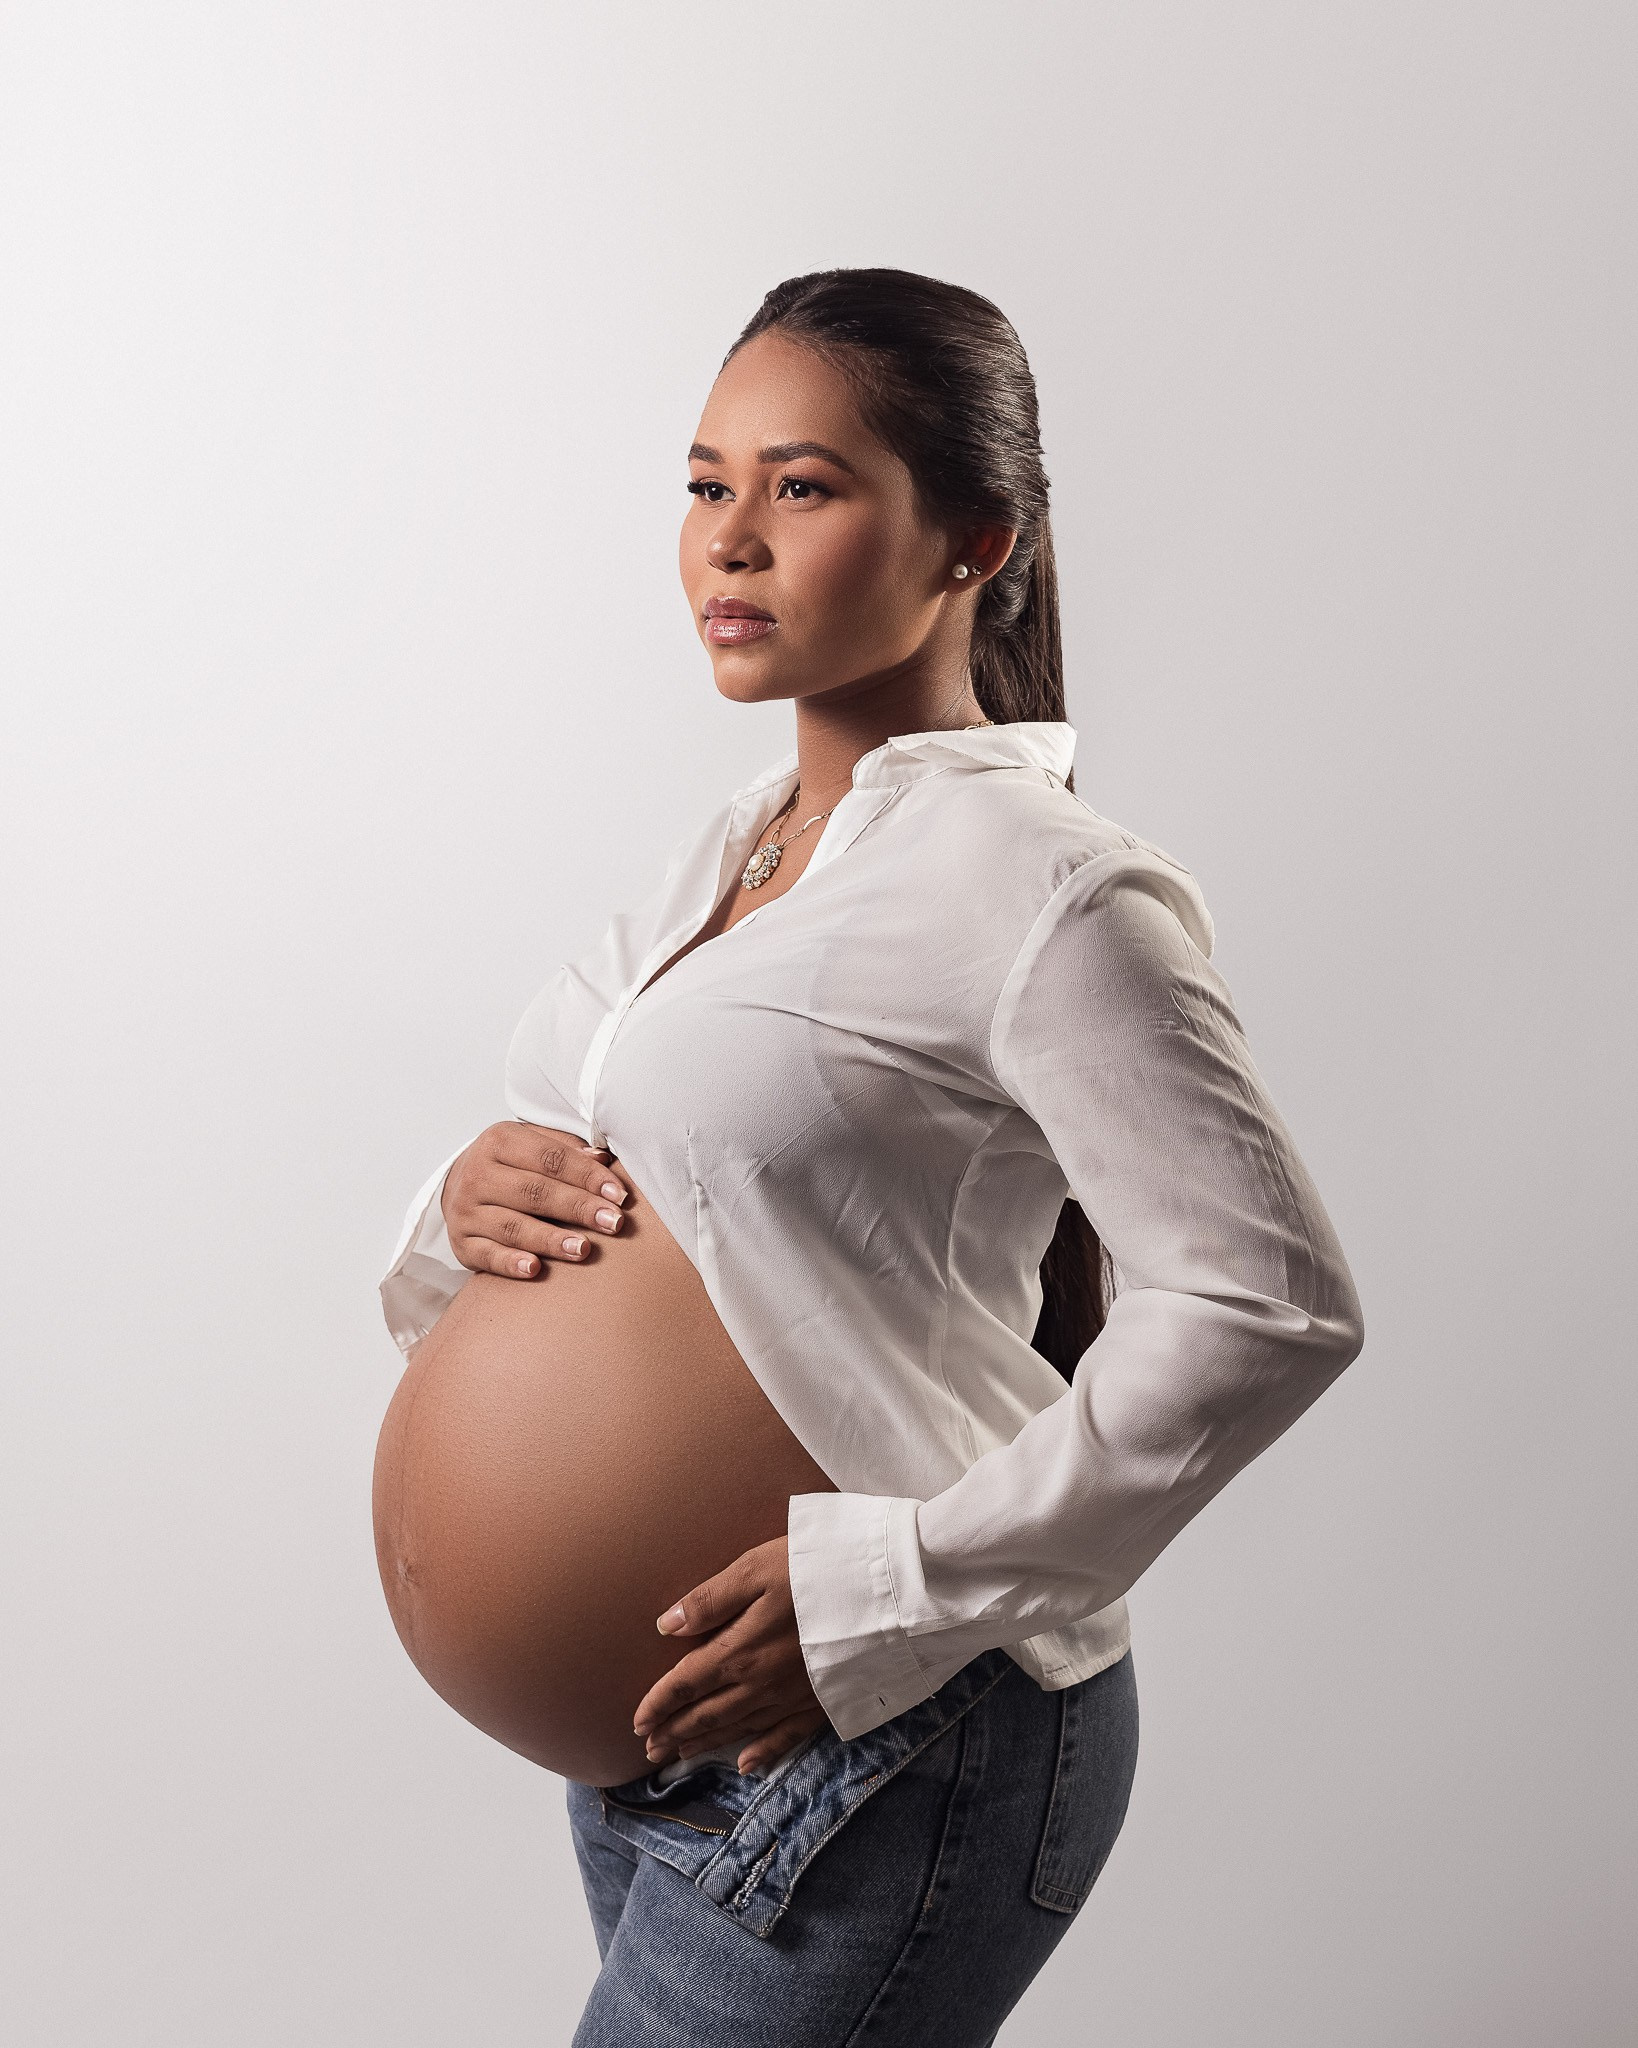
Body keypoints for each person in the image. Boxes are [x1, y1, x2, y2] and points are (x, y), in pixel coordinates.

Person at [375, 267, 1364, 2045]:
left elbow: (1264, 1305)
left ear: (973, 542)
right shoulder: (735, 850)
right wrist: (463, 1200)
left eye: (803, 486)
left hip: (885, 1739)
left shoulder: (1045, 886)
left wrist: (888, 1585)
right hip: (674, 1749)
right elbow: (679, 1184)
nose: (728, 542)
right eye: (704, 486)